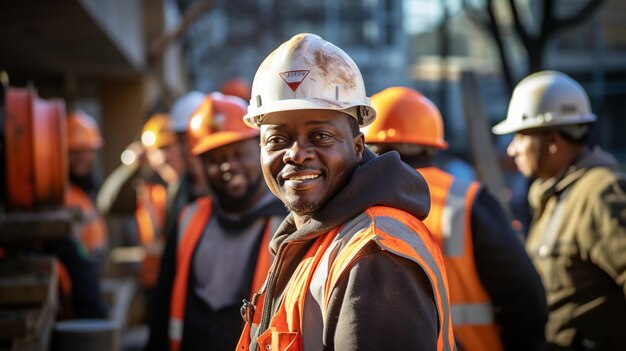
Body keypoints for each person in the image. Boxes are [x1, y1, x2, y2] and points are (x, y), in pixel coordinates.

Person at [237, 33, 455, 351]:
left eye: (320, 135)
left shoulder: (374, 256)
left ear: (357, 147)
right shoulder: (313, 236)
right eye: (277, 139)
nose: (296, 154)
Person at [365, 86, 548, 351]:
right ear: (433, 145)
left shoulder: (356, 208)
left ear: (368, 146)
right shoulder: (468, 200)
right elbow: (525, 298)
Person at [492, 71, 626, 350]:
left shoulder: (600, 192)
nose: (513, 149)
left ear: (552, 139)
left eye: (520, 136)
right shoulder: (555, 196)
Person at [144, 92, 286, 351]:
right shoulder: (189, 219)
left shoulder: (288, 225)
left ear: (260, 150)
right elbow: (162, 309)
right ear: (199, 165)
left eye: (238, 154)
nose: (228, 166)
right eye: (215, 159)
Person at [66, 111, 108, 263]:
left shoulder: (87, 192)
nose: (81, 158)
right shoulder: (62, 197)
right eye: (74, 152)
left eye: (85, 151)